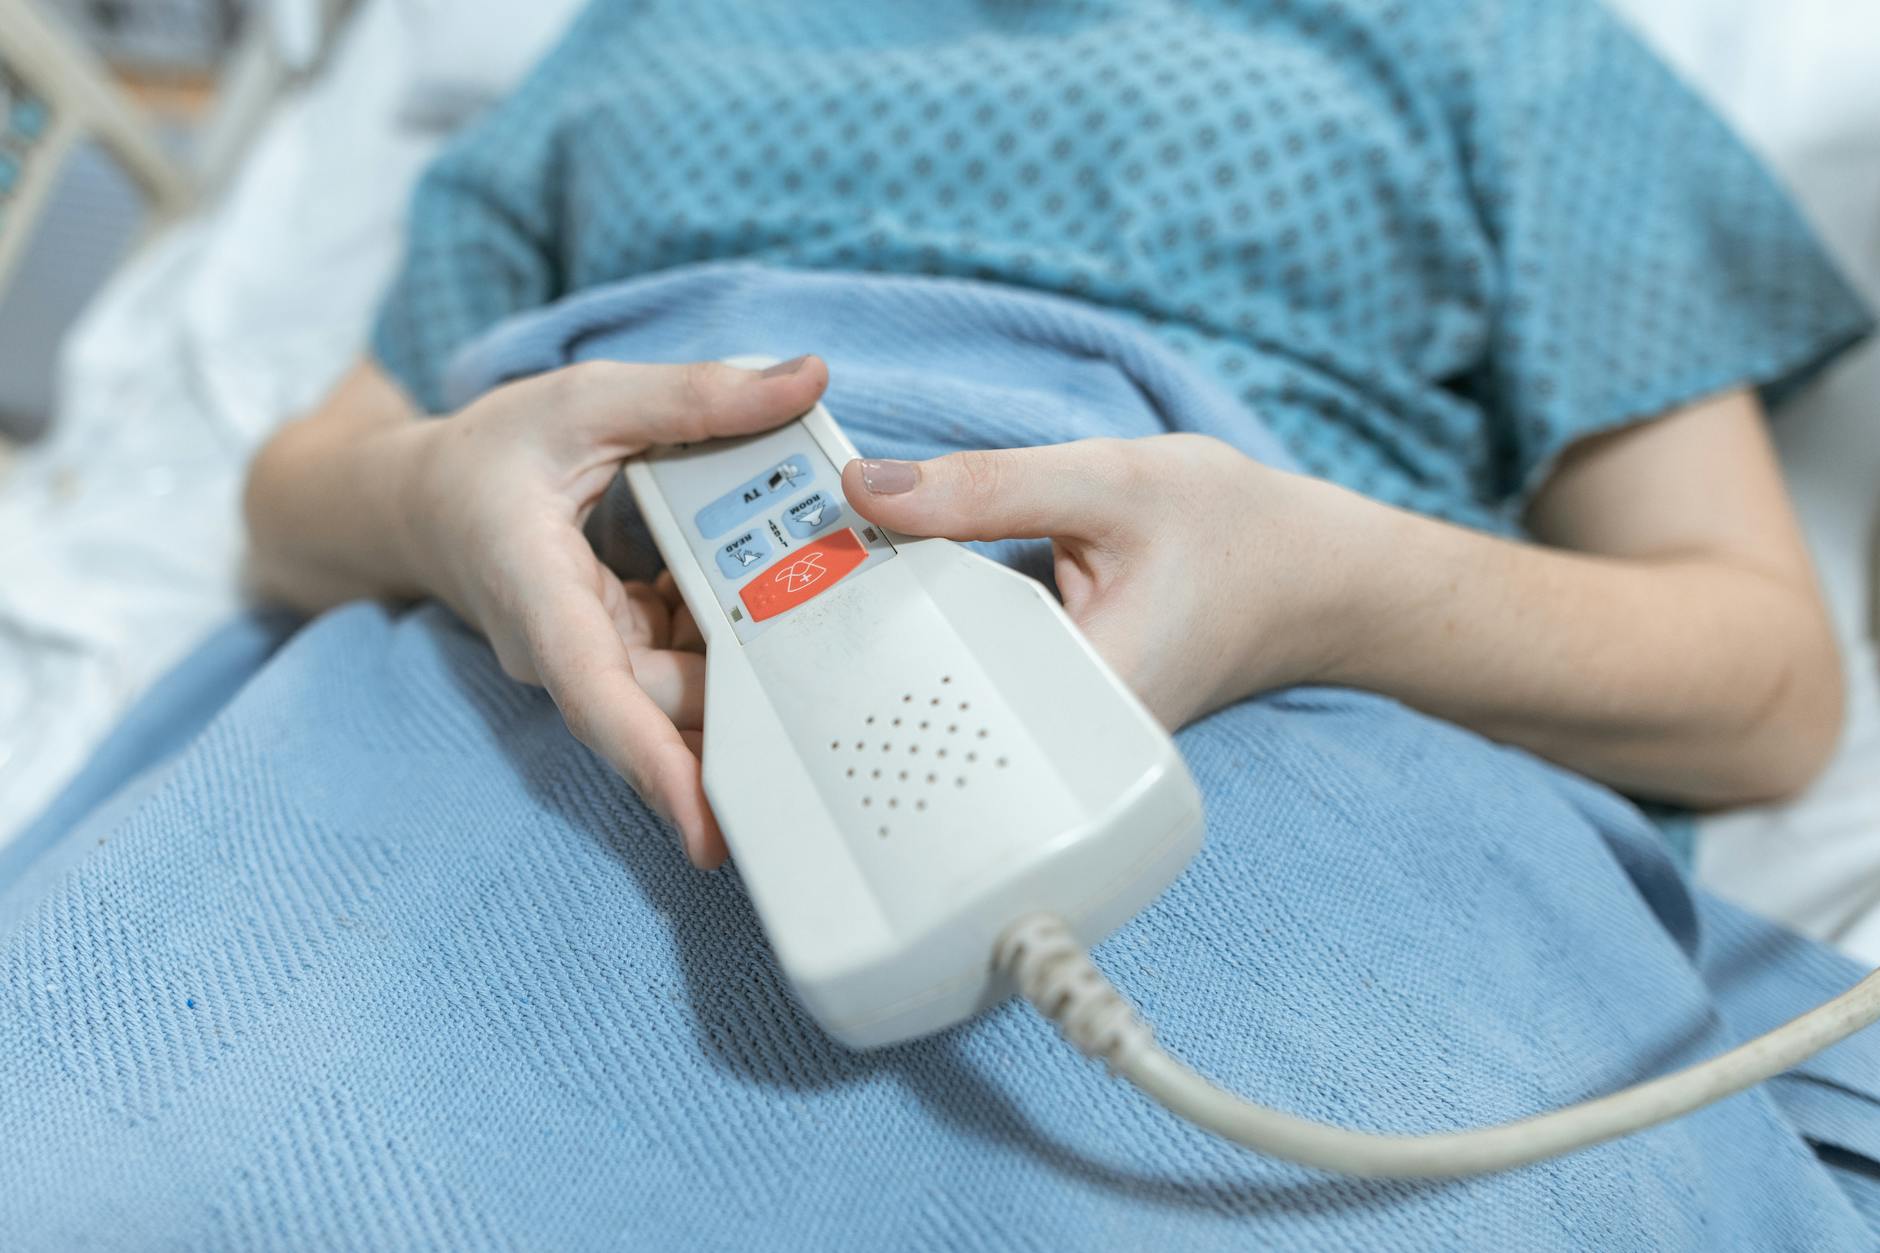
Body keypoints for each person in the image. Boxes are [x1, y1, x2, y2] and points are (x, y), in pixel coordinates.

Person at [5, 2, 1877, 1247]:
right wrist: (432, 500)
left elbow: (1767, 684)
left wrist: (1323, 583)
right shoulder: (644, 32)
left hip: (1267, 713)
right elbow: (299, 482)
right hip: (544, 676)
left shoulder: (1501, 39)